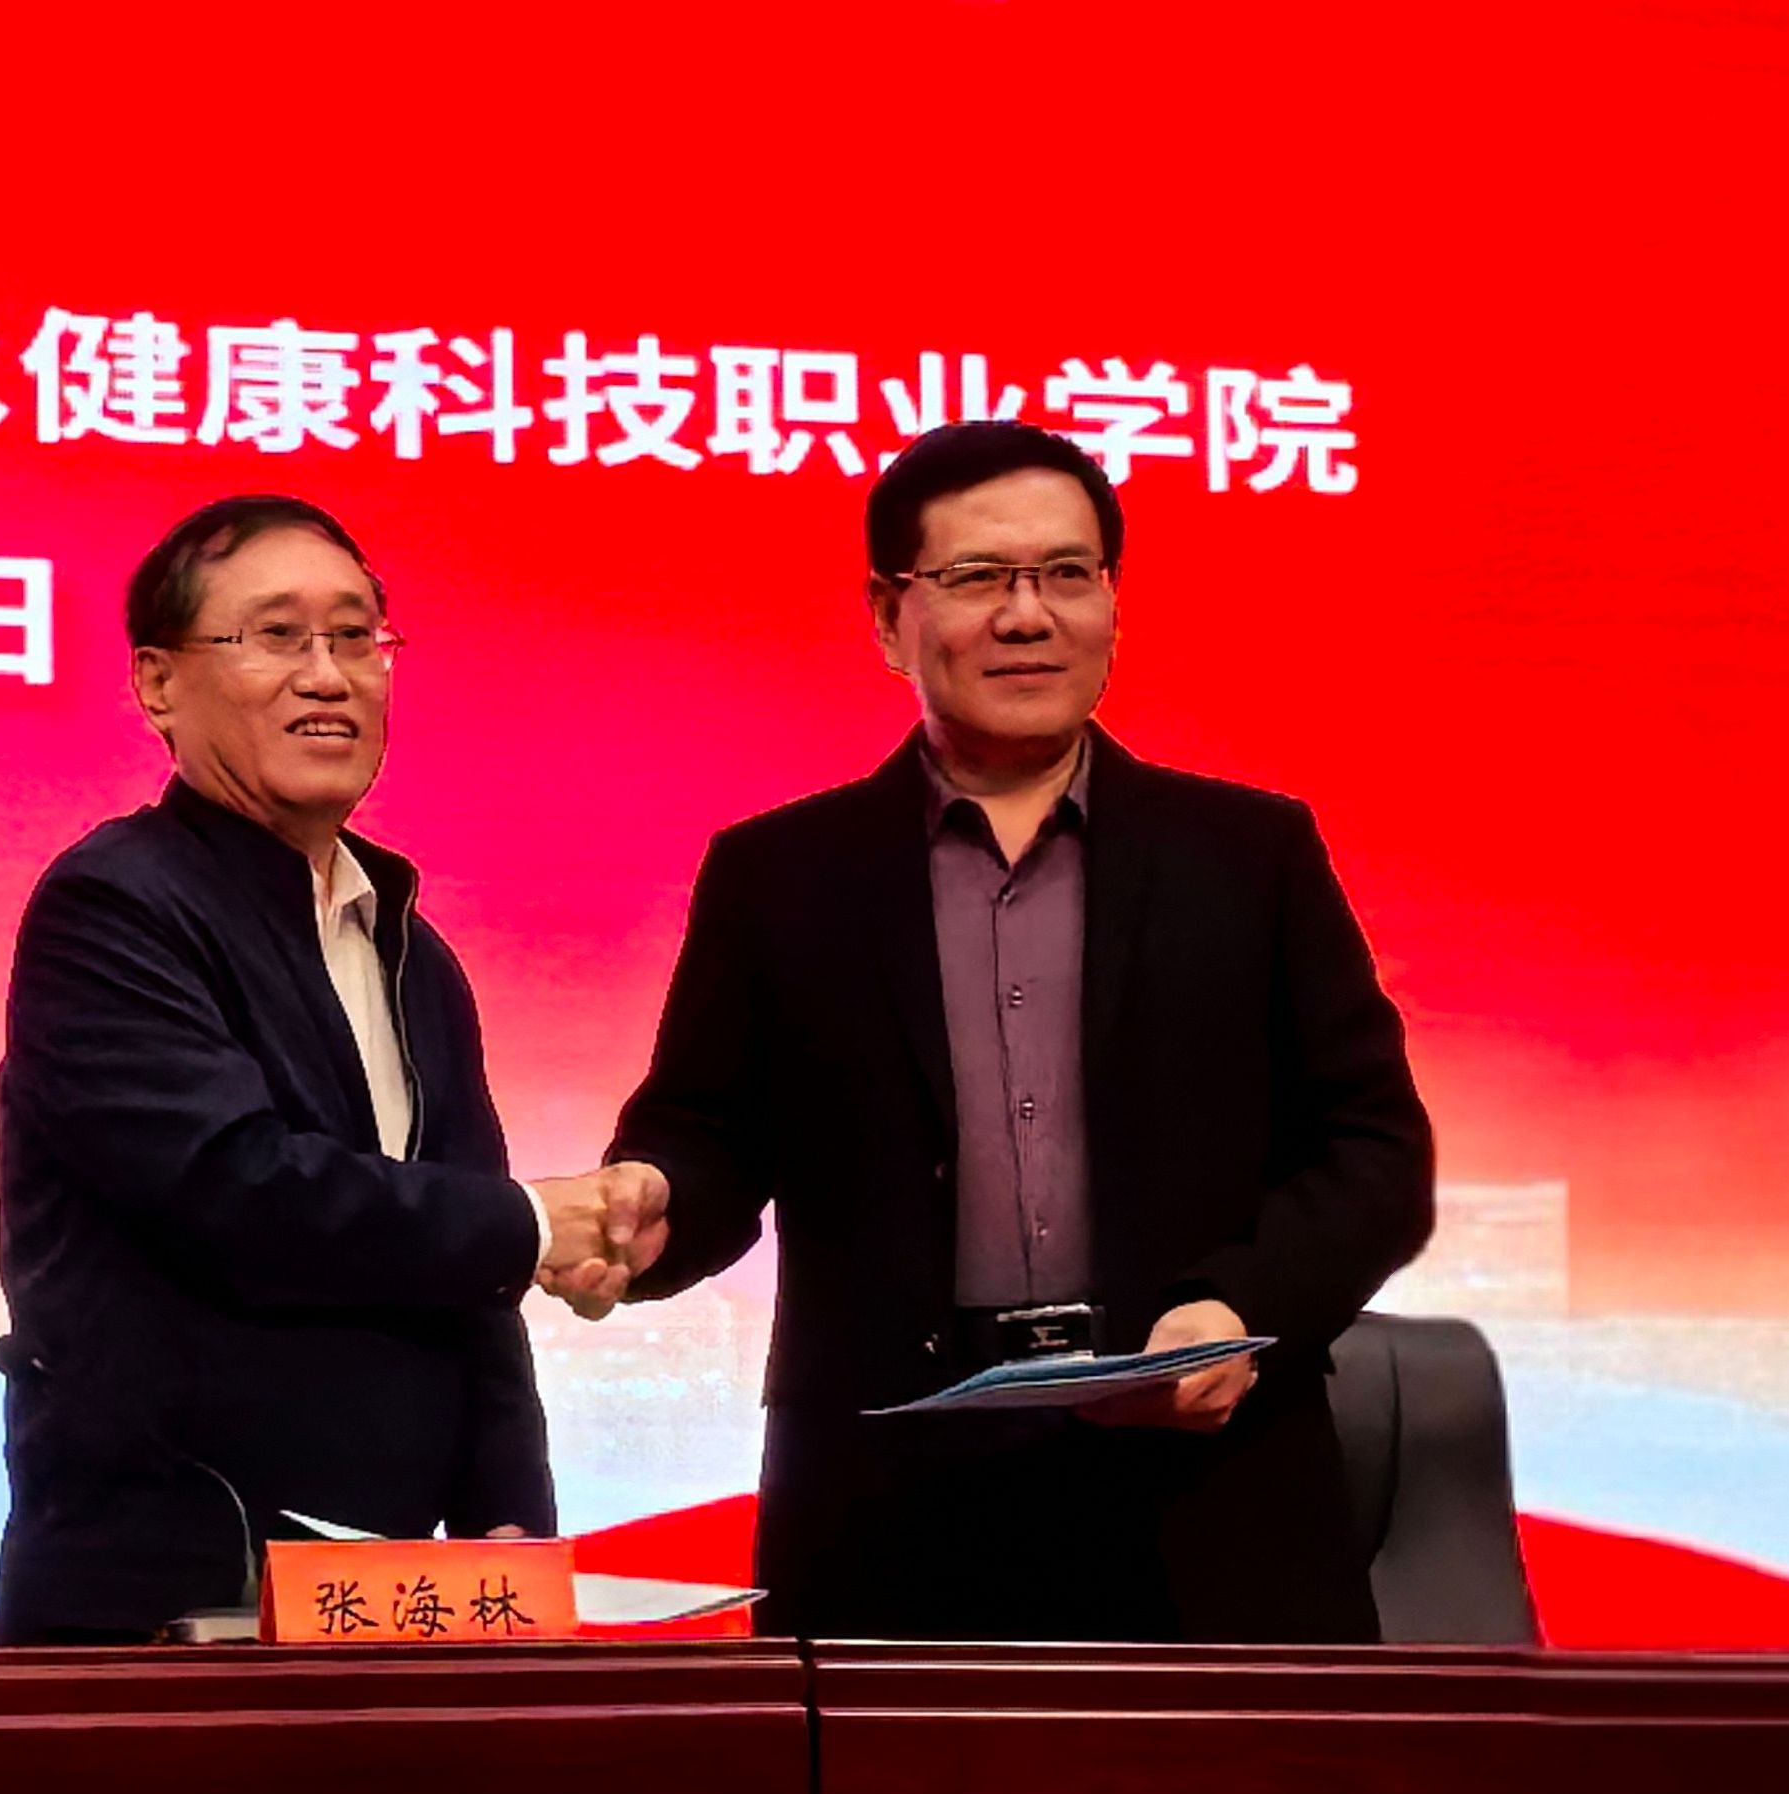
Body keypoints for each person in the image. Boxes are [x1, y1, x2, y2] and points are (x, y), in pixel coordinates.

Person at [604, 422, 1434, 1643]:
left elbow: (1374, 1152)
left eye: (1066, 573)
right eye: (978, 577)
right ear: (889, 616)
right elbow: (710, 1133)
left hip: (1210, 1493)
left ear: (1112, 600)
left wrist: (1237, 1306)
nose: (1028, 615)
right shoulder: (780, 875)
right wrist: (653, 1199)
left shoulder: (1250, 857)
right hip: (891, 1504)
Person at [0, 494, 662, 1645]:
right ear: (158, 682)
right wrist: (534, 1222)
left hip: (394, 1607)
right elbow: (238, 1189)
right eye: (277, 636)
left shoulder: (410, 949)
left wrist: (509, 1527)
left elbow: (474, 1284)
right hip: (172, 1602)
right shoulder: (113, 906)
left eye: (356, 638)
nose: (328, 676)